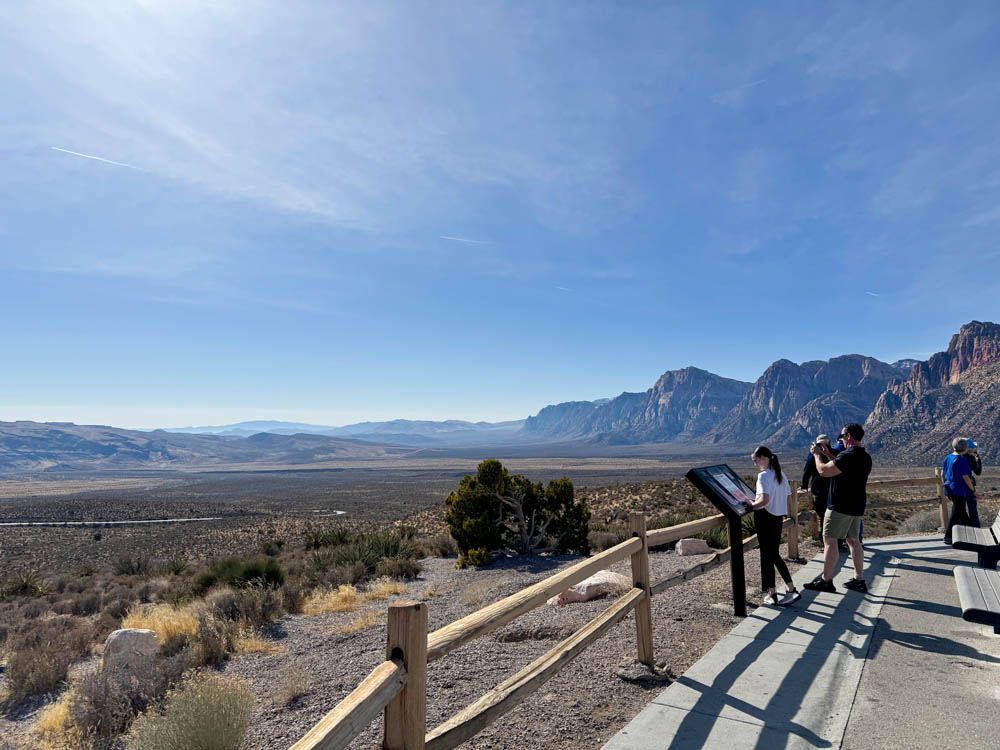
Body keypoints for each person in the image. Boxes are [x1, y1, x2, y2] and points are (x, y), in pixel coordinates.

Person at [803, 423, 873, 594]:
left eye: (842, 437)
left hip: (840, 506)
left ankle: (826, 580)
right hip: (857, 506)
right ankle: (859, 579)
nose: (841, 440)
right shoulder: (865, 457)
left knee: (829, 540)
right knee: (854, 541)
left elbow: (823, 471)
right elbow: (841, 463)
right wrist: (827, 453)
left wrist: (817, 455)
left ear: (848, 436)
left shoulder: (848, 456)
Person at [746, 446, 800, 606]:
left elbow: (764, 500)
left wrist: (752, 504)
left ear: (764, 458)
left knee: (769, 555)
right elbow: (788, 498)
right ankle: (774, 591)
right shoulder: (781, 474)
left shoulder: (763, 476)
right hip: (777, 518)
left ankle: (788, 589)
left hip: (764, 517)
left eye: (755, 460)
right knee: (772, 554)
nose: (755, 464)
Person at [801, 434, 849, 552]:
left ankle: (830, 543)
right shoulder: (834, 454)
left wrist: (804, 486)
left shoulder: (817, 455)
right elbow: (807, 471)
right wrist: (804, 486)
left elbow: (806, 471)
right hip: (828, 491)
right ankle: (834, 543)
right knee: (829, 517)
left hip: (828, 491)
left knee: (826, 518)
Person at [942, 437, 977, 544]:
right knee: (957, 512)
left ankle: (970, 535)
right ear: (965, 448)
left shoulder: (948, 457)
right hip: (958, 489)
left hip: (948, 488)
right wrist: (972, 489)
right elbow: (966, 477)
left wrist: (945, 484)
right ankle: (949, 536)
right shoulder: (962, 460)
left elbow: (943, 474)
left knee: (960, 512)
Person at [964, 439, 983, 527]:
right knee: (972, 509)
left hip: (957, 486)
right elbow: (978, 471)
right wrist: (978, 459)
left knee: (960, 509)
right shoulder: (970, 458)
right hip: (969, 485)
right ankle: (976, 528)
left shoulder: (955, 457)